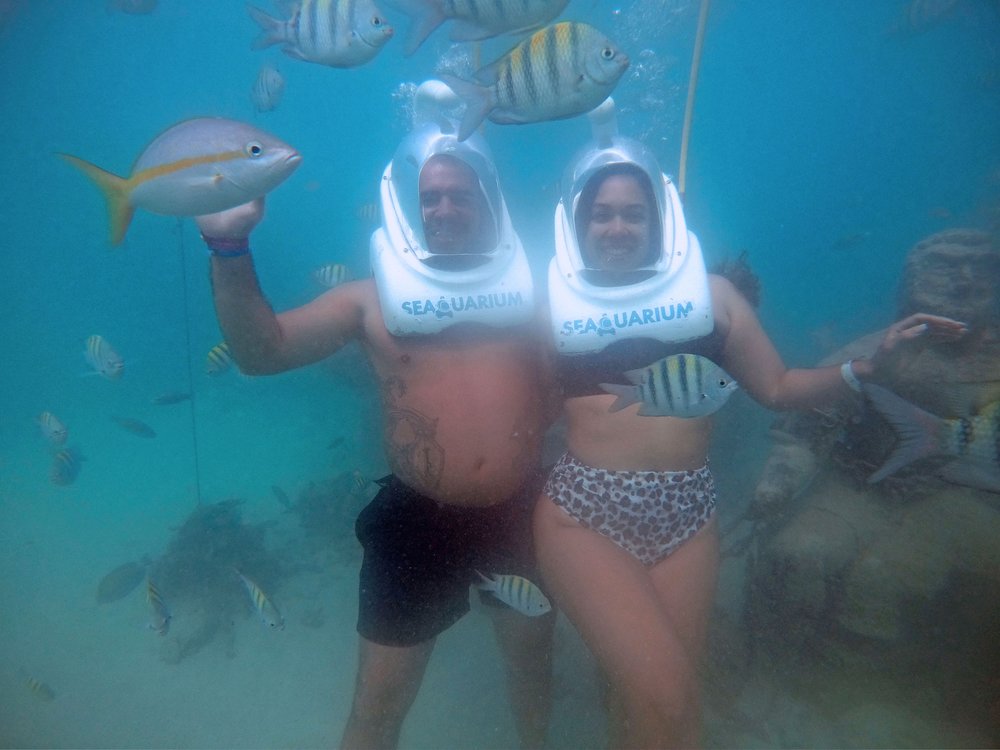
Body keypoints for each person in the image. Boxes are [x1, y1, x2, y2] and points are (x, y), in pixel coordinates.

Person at [532, 100, 969, 749]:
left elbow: (780, 387)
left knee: (668, 701)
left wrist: (867, 368)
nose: (617, 226)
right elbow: (530, 407)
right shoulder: (550, 305)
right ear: (577, 219)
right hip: (584, 512)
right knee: (667, 696)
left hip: (687, 515)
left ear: (658, 219)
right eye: (602, 213)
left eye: (633, 212)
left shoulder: (716, 297)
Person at [197, 81, 556, 750]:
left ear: (488, 199)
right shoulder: (368, 302)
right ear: (407, 207)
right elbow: (262, 352)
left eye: (460, 195)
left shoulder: (534, 298)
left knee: (532, 666)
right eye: (430, 198)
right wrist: (229, 250)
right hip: (417, 523)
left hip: (521, 511)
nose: (445, 209)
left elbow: (586, 371)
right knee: (378, 706)